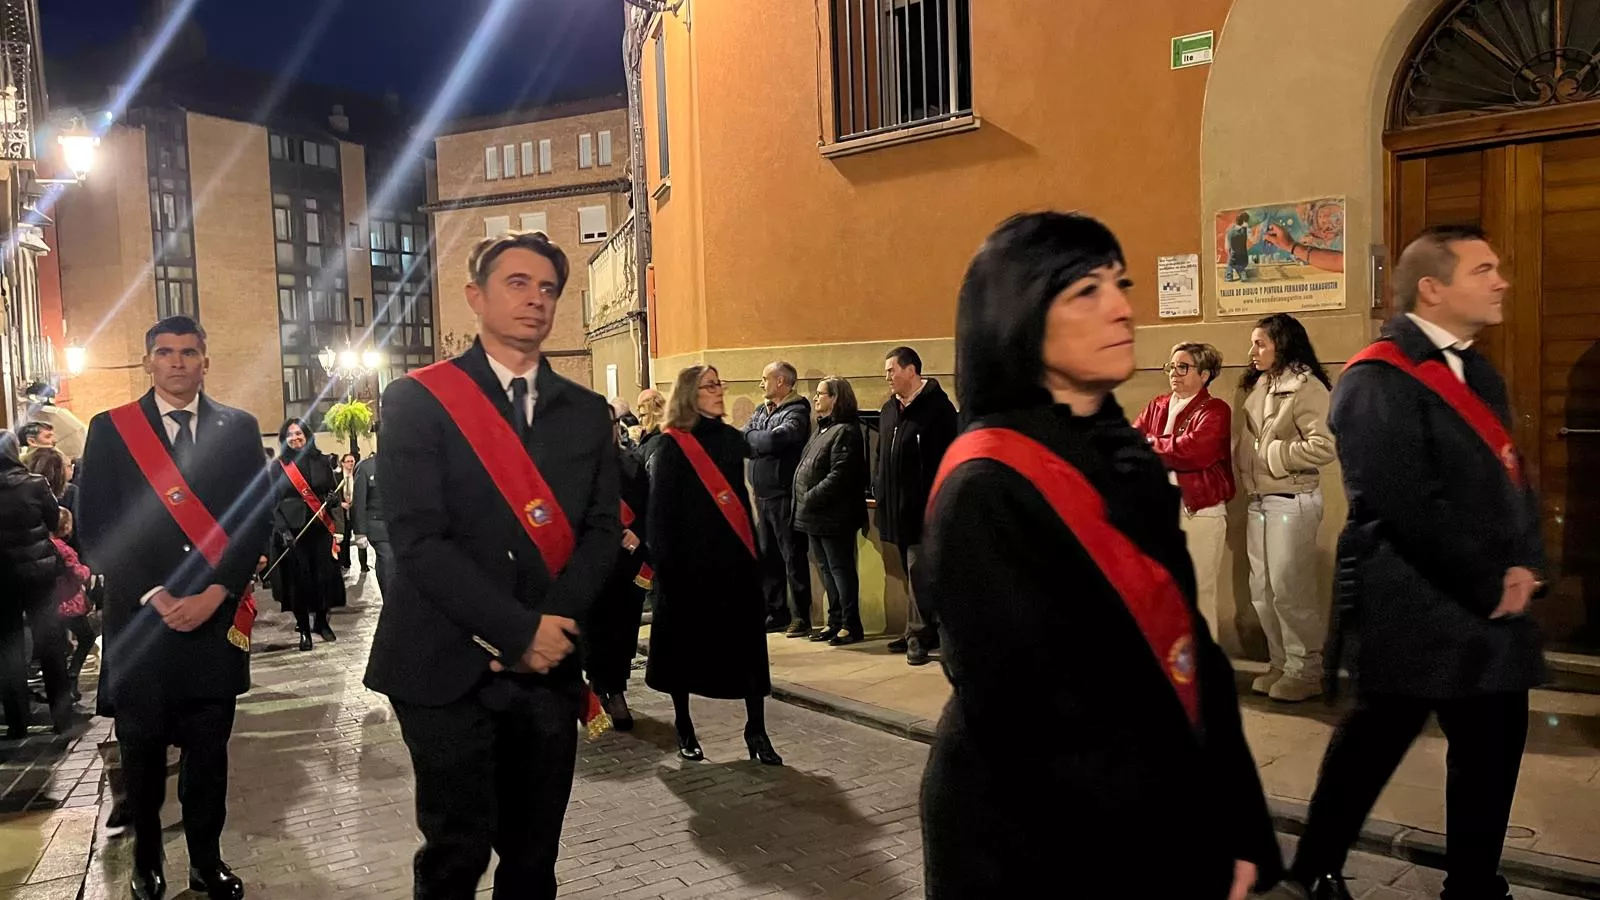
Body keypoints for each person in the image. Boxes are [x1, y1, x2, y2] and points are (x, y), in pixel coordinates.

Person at [919, 212, 1279, 899]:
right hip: (1033, 848)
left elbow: (1188, 648)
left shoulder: (1117, 454)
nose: (1120, 307)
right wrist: (1185, 849)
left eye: (1120, 283)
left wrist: (1237, 820)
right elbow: (1039, 722)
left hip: (1137, 818)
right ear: (1022, 316)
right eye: (1086, 291)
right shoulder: (984, 484)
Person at [1291, 226, 1546, 900]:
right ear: (1432, 288)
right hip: (1413, 610)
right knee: (1367, 752)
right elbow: (1404, 504)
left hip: (1487, 616)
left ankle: (1473, 885)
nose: (1501, 281)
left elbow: (1511, 474)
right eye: (1482, 269)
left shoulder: (1479, 372)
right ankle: (1312, 873)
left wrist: (1527, 559)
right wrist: (1489, 580)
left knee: (1491, 757)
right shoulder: (1375, 378)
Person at [364, 230, 619, 900]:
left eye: (548, 288)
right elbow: (418, 538)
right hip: (443, 662)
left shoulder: (588, 413)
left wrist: (549, 628)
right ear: (475, 296)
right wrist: (516, 631)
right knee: (457, 852)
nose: (536, 299)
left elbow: (602, 533)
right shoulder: (417, 400)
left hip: (547, 667)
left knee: (533, 859)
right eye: (518, 283)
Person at [77, 315, 274, 900]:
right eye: (165, 352)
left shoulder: (239, 428)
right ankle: (146, 861)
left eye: (189, 352)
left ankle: (207, 861)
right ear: (148, 362)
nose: (178, 362)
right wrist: (155, 594)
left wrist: (218, 591)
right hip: (142, 622)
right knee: (140, 756)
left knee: (209, 756)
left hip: (212, 621)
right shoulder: (111, 429)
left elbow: (254, 517)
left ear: (205, 361)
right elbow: (97, 526)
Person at [645, 364, 781, 766]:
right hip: (689, 568)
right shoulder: (671, 446)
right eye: (709, 385)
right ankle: (684, 725)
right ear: (690, 394)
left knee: (748, 649)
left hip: (733, 565)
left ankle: (756, 730)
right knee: (683, 651)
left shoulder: (731, 440)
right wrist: (667, 570)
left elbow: (742, 501)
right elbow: (661, 516)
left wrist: (754, 556)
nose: (719, 390)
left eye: (720, 383)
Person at [1236, 312, 1336, 702]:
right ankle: (1281, 663)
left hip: (1292, 498)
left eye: (1260, 343)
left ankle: (1306, 669)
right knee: (1262, 589)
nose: (1252, 352)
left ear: (1282, 344)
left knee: (1290, 589)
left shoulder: (1307, 388)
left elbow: (1324, 446)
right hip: (1260, 498)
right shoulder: (1263, 385)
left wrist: (1274, 454)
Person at [1133, 342, 1235, 639]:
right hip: (1159, 512)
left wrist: (1152, 444)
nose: (1174, 373)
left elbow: (1194, 451)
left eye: (1183, 367)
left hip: (1198, 511)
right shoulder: (1157, 405)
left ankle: (1205, 664)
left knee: (1199, 593)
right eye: (1171, 366)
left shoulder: (1215, 410)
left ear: (1204, 375)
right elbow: (1131, 444)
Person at [877, 346, 958, 666]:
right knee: (909, 572)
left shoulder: (939, 410)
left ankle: (919, 635)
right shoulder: (889, 409)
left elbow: (948, 459)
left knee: (919, 571)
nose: (887, 377)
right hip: (895, 508)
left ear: (911, 370)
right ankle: (921, 628)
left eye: (891, 370)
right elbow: (882, 456)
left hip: (924, 508)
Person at [585, 414, 652, 731]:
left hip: (628, 559)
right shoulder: (577, 466)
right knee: (598, 628)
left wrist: (639, 532)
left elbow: (650, 506)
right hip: (595, 560)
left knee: (624, 628)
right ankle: (603, 686)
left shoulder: (633, 463)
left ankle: (614, 686)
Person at [793, 376, 868, 645]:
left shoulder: (846, 431)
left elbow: (840, 475)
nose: (815, 398)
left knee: (840, 569)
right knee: (826, 569)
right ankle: (834, 621)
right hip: (815, 514)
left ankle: (850, 624)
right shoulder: (823, 428)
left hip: (834, 515)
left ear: (836, 398)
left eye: (821, 393)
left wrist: (810, 496)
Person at [0, 429, 65, 738]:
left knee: (8, 648)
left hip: (2, 576)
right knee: (50, 642)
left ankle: (17, 723)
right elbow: (53, 521)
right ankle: (62, 717)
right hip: (39, 573)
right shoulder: (35, 484)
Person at [742, 360, 813, 636]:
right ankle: (776, 611)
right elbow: (744, 438)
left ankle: (801, 616)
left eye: (765, 379)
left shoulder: (797, 411)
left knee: (792, 557)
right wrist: (760, 440)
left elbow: (776, 440)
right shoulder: (763, 410)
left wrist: (758, 440)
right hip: (762, 496)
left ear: (781, 381)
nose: (761, 384)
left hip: (784, 496)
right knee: (768, 557)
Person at [270, 420, 344, 651]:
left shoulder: (322, 461)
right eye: (290, 434)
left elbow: (332, 492)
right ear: (284, 439)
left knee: (322, 577)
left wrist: (333, 500)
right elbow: (271, 503)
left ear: (307, 435)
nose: (295, 438)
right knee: (298, 581)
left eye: (299, 433)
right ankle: (303, 628)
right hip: (293, 532)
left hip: (320, 528)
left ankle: (321, 622)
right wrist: (282, 530)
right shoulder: (278, 467)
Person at [50, 509, 94, 696]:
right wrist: (87, 571)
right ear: (66, 526)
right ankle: (73, 675)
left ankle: (60, 685)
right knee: (87, 637)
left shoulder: (45, 546)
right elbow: (76, 574)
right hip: (69, 603)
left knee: (60, 644)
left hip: (51, 603)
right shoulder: (65, 551)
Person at [350, 449, 391, 598]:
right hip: (378, 526)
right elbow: (359, 501)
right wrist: (360, 532)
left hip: (402, 525)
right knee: (387, 560)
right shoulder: (366, 467)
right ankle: (390, 601)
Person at [336, 453, 368, 574]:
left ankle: (364, 565)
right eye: (348, 461)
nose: (350, 464)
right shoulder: (337, 477)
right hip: (343, 512)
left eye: (352, 461)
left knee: (361, 538)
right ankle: (345, 563)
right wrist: (341, 504)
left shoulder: (358, 475)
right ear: (343, 463)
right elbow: (334, 495)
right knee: (345, 538)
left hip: (356, 511)